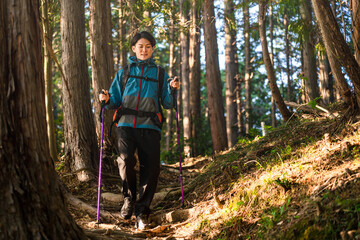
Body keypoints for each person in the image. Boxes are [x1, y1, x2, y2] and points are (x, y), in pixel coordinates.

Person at [99, 31, 180, 230]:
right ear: (134, 49)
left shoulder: (160, 74)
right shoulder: (124, 72)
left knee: (150, 168)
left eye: (148, 46)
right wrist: (107, 100)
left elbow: (168, 104)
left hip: (150, 126)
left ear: (152, 49)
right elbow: (114, 101)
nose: (144, 49)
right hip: (125, 124)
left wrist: (172, 89)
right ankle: (129, 199)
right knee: (125, 161)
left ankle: (142, 211)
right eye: (140, 46)